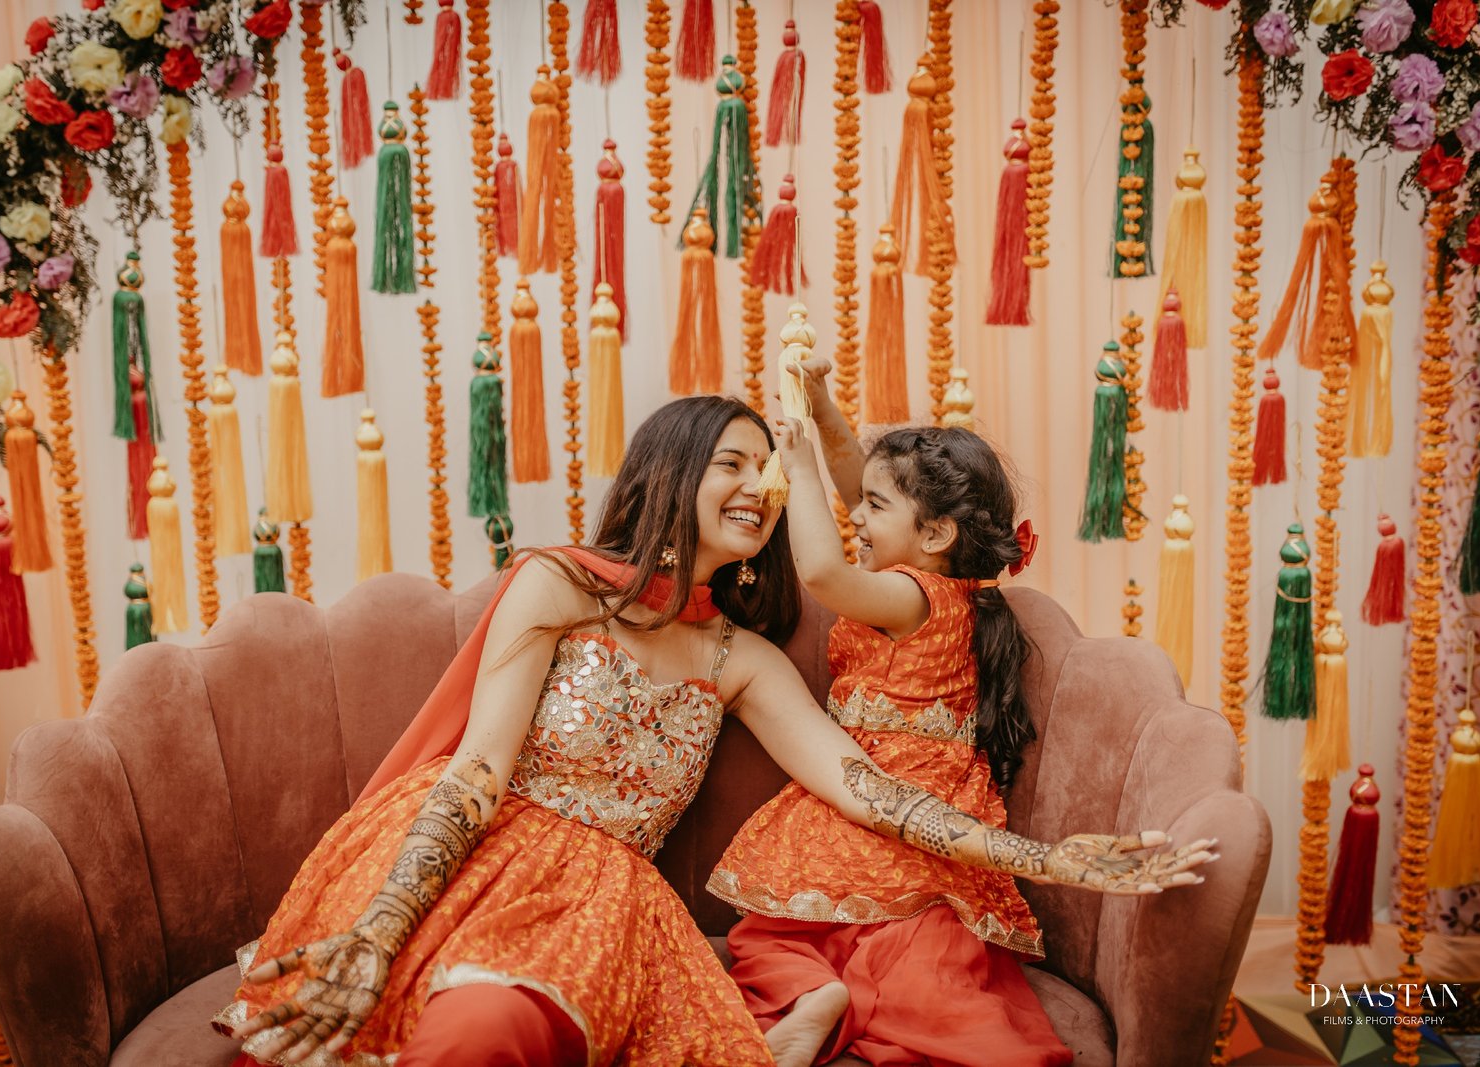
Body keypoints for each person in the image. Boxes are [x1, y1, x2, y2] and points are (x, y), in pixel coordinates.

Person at [217, 395, 1215, 1067]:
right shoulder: (556, 585)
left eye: (768, 471)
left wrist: (1054, 857)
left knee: (482, 1031)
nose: (759, 486)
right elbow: (476, 767)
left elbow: (872, 790)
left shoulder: (740, 658)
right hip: (470, 853)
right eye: (732, 463)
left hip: (600, 901)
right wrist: (381, 927)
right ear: (672, 470)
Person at [710, 358, 1205, 1067]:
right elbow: (865, 483)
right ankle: (821, 995)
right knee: (899, 950)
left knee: (782, 936)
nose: (856, 514)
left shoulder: (911, 594)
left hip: (882, 799)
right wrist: (821, 410)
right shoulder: (948, 586)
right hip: (897, 802)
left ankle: (809, 992)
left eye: (875, 510)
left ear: (935, 535)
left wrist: (798, 460)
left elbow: (822, 572)